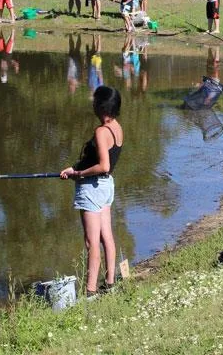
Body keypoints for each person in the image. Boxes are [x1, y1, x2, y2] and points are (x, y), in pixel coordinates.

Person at [60, 86, 123, 297]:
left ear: (101, 105)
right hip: (106, 187)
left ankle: (90, 292)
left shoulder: (101, 131)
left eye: (95, 100)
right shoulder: (116, 127)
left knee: (91, 241)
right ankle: (110, 283)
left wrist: (79, 174)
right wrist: (75, 169)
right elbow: (106, 165)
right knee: (107, 236)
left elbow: (103, 165)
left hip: (93, 188)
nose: (92, 103)